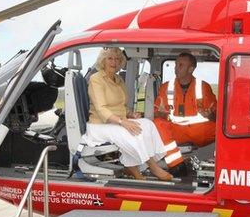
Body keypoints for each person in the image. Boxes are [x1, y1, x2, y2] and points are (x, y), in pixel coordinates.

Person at [84, 47, 172, 181]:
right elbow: (101, 110)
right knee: (131, 132)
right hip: (100, 125)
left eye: (118, 59)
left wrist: (130, 115)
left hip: (118, 121)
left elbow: (122, 106)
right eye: (110, 58)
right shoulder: (96, 79)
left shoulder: (119, 80)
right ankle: (153, 167)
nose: (114, 62)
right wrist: (122, 122)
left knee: (147, 124)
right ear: (103, 60)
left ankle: (133, 168)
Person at [153, 52, 217, 174]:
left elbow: (216, 114)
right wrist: (161, 113)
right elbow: (156, 112)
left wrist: (210, 115)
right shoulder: (165, 87)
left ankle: (219, 166)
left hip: (202, 132)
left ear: (191, 69)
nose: (176, 68)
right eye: (176, 65)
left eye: (181, 65)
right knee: (157, 123)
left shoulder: (204, 87)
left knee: (226, 129)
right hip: (177, 131)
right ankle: (176, 164)